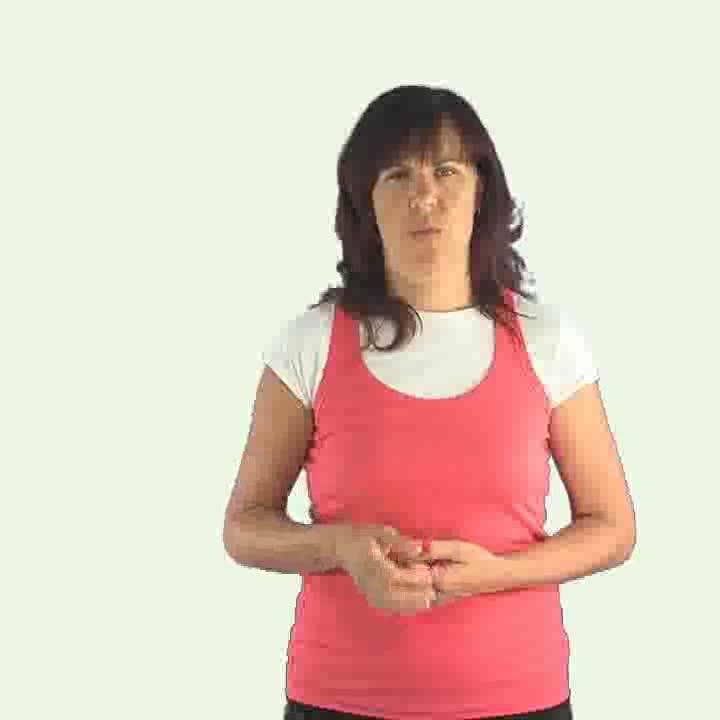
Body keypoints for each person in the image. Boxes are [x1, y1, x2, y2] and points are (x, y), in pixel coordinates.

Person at [223, 85, 636, 719]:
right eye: (397, 175)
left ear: (481, 192)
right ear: (365, 203)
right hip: (338, 701)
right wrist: (341, 548)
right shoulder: (310, 342)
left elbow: (612, 528)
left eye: (446, 170)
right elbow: (245, 526)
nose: (424, 196)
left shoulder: (547, 340)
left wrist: (493, 574)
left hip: (519, 699)